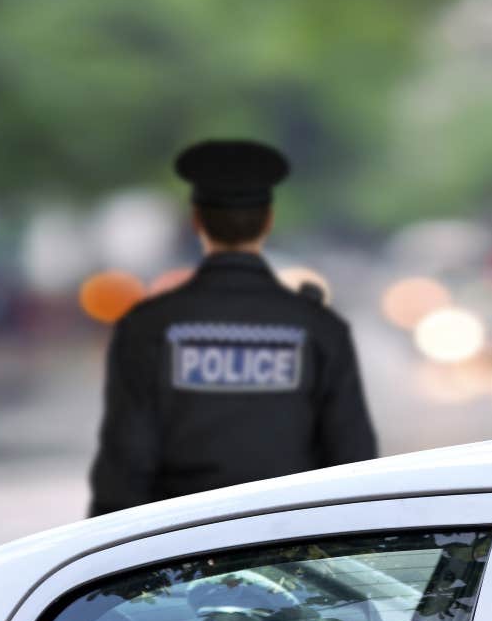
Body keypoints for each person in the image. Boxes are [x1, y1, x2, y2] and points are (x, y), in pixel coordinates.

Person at [88, 139, 377, 517]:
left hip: (178, 552)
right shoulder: (321, 329)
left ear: (197, 221)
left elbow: (124, 467)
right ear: (268, 220)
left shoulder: (146, 327)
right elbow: (353, 463)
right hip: (289, 550)